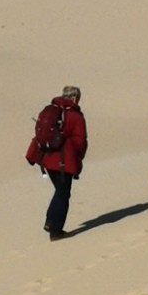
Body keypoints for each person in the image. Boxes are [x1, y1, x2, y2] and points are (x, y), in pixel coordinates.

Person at [26, 85, 88, 239]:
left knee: (60, 191)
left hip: (45, 158)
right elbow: (80, 141)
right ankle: (55, 229)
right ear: (74, 98)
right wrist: (78, 158)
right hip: (63, 161)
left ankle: (51, 221)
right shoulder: (75, 116)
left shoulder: (48, 110)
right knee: (63, 192)